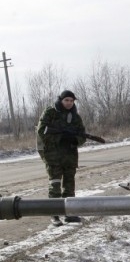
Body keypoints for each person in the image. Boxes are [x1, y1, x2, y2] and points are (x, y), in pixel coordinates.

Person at [37, 90, 87, 226]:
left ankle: (69, 214)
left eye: (71, 101)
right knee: (55, 185)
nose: (69, 103)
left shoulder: (75, 117)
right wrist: (61, 138)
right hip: (53, 156)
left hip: (69, 156)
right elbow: (41, 131)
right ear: (61, 100)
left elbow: (83, 135)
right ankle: (54, 215)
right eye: (67, 100)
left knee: (69, 186)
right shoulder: (51, 112)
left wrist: (75, 140)